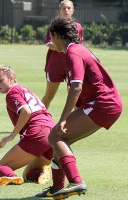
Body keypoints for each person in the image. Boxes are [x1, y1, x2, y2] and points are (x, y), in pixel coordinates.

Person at [35, 16, 122, 199]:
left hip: (102, 104)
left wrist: (63, 119)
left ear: (57, 35)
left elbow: (76, 87)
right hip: (104, 103)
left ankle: (76, 182)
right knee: (60, 142)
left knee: (55, 135)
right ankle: (58, 187)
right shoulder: (78, 50)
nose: (51, 41)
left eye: (51, 37)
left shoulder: (73, 52)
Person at [0, 65, 55, 186]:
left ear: (11, 78)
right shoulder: (24, 89)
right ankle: (42, 172)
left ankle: (13, 178)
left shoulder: (11, 93)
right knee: (29, 174)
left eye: (1, 81)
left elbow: (26, 111)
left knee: (1, 168)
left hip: (38, 133)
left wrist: (11, 136)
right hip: (53, 133)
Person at [41, 0, 83, 109]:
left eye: (69, 8)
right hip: (55, 66)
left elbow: (79, 46)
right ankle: (37, 120)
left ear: (73, 10)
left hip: (71, 65)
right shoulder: (54, 25)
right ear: (60, 10)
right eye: (64, 8)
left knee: (75, 97)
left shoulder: (77, 27)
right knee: (49, 96)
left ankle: (76, 125)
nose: (66, 10)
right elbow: (49, 43)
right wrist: (66, 49)